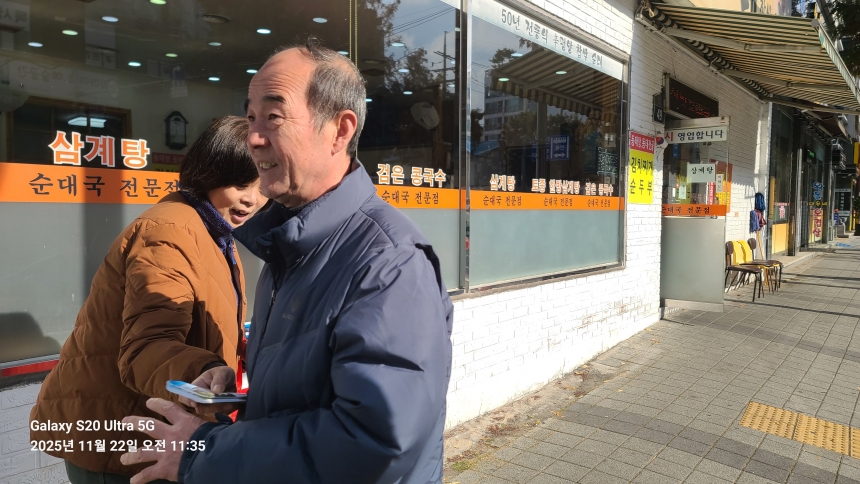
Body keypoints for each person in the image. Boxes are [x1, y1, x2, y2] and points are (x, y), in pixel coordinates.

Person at [120, 38, 453, 484]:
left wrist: (205, 451)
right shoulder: (289, 243)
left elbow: (375, 441)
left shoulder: (389, 262)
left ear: (340, 130)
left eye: (273, 117)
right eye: (251, 117)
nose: (254, 138)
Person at [29, 116, 268, 484]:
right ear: (209, 171)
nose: (252, 198)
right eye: (240, 183)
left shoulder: (213, 230)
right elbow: (146, 347)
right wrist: (204, 369)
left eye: (262, 184)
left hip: (148, 432)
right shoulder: (170, 232)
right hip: (121, 443)